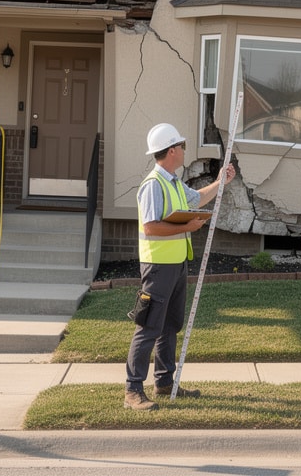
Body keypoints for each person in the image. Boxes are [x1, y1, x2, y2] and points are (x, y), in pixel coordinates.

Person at [124, 122, 235, 411]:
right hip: (157, 267)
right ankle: (133, 391)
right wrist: (188, 226)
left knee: (170, 325)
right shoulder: (153, 184)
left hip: (175, 265)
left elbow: (196, 199)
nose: (185, 150)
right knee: (149, 326)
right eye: (182, 146)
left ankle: (164, 382)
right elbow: (150, 227)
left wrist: (221, 182)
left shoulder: (172, 182)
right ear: (171, 150)